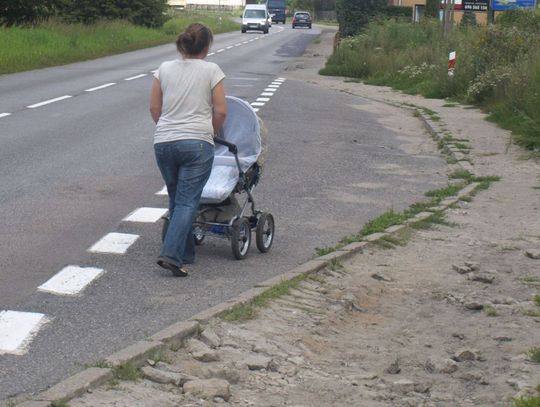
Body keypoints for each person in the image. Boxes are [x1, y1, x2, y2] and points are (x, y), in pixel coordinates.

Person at [149, 23, 227, 277]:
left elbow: (154, 109)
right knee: (186, 201)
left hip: (164, 142)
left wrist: (169, 129)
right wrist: (212, 133)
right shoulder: (212, 70)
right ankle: (171, 255)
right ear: (206, 46)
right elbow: (221, 110)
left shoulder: (164, 69)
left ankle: (186, 253)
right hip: (196, 142)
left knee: (177, 198)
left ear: (183, 44)